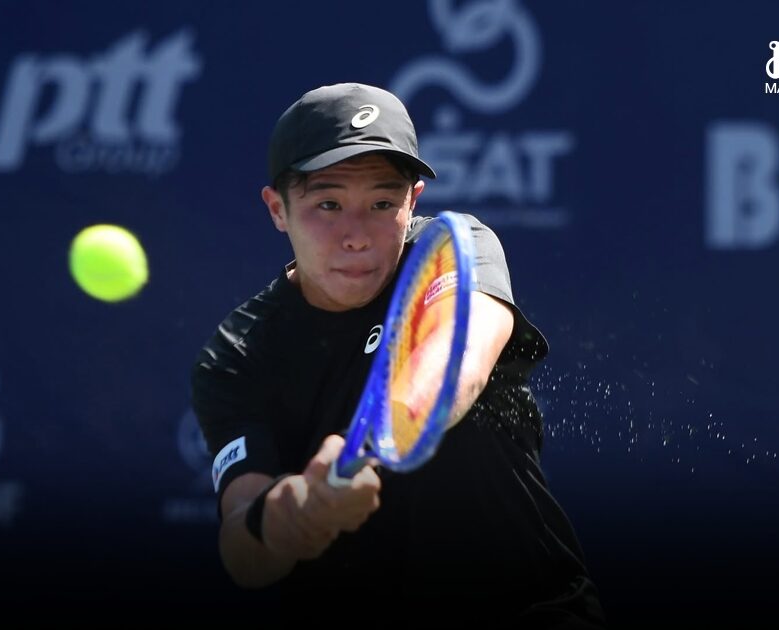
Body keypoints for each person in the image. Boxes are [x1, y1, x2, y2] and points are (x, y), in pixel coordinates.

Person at [191, 82, 605, 626]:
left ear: (413, 201)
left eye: (382, 204)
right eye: (328, 204)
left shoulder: (452, 249)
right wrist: (284, 520)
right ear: (278, 209)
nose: (356, 236)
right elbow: (242, 547)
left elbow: (456, 365)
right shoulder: (236, 352)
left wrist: (367, 446)